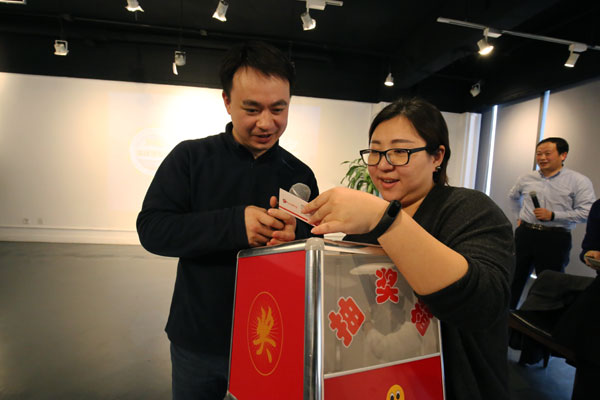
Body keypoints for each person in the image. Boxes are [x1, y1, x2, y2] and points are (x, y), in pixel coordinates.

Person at [136, 41, 319, 400]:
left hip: (272, 339)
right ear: (226, 102)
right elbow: (153, 229)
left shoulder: (299, 174)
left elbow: (314, 243)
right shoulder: (190, 158)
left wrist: (295, 236)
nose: (266, 123)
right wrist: (235, 225)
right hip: (198, 340)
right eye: (252, 109)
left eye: (278, 109)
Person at [303, 97, 514, 400]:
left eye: (400, 151)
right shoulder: (365, 229)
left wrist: (385, 220)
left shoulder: (470, 209)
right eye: (375, 152)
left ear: (437, 156)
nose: (383, 164)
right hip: (382, 382)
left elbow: (483, 303)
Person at [508, 137, 595, 309]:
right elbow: (513, 197)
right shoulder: (526, 178)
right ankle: (505, 317)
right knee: (513, 277)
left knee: (550, 286)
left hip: (555, 238)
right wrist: (519, 216)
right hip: (525, 234)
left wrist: (554, 215)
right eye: (539, 154)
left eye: (547, 153)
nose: (542, 158)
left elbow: (587, 212)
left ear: (563, 155)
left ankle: (537, 321)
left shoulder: (578, 181)